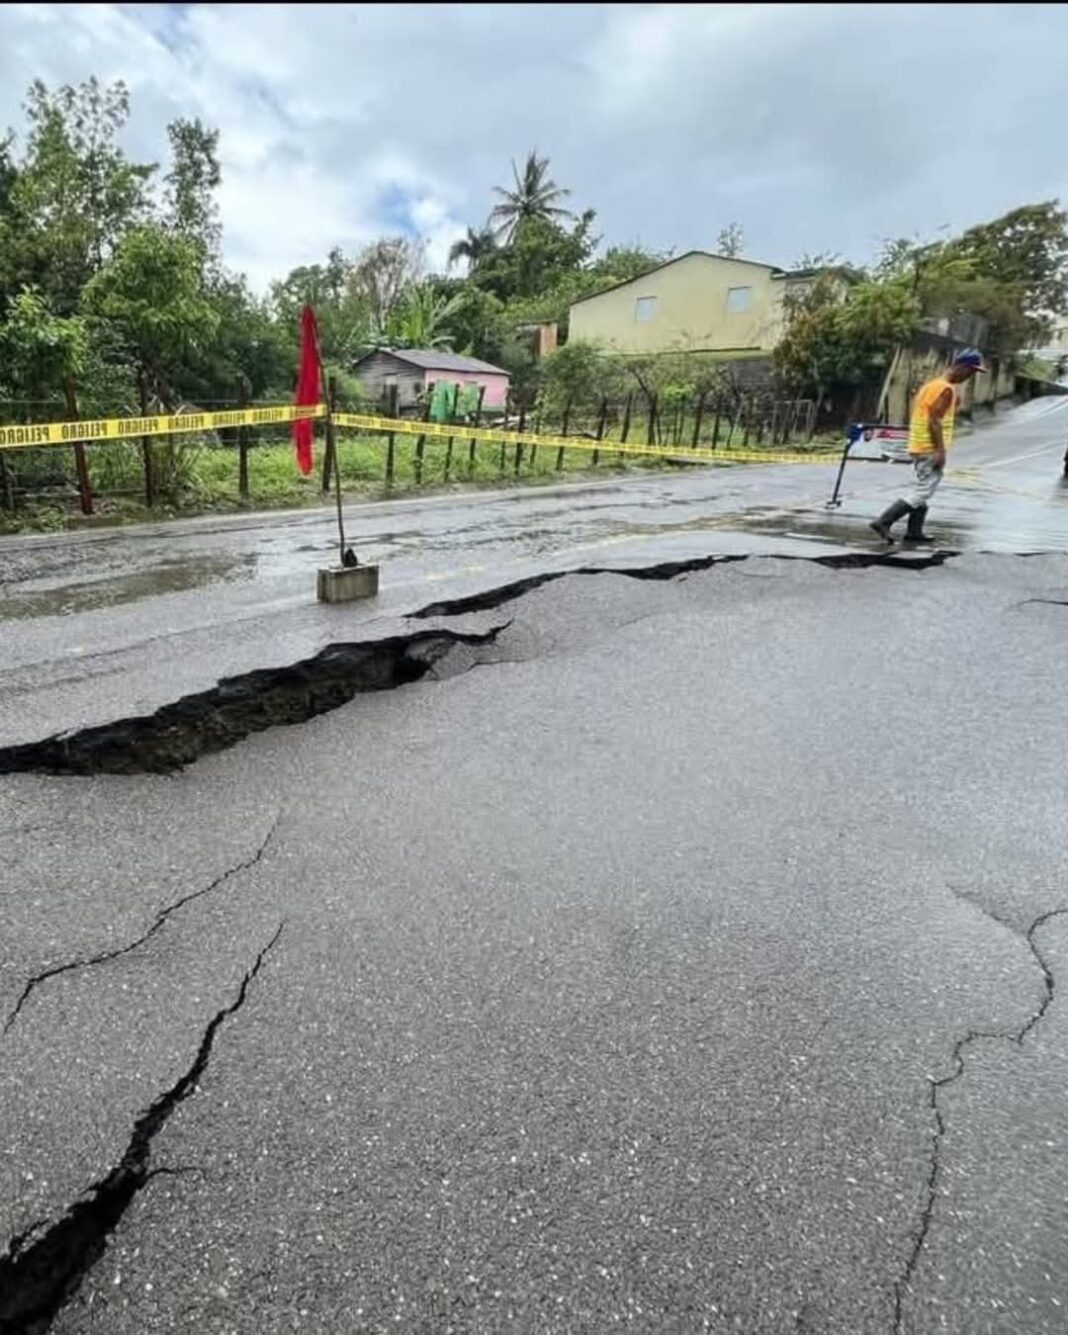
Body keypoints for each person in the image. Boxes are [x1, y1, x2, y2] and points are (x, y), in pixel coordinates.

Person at [869, 349, 985, 545]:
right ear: (961, 366)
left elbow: (930, 414)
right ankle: (884, 521)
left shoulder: (934, 386)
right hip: (929, 447)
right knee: (924, 490)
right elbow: (934, 421)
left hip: (920, 444)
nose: (970, 377)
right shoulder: (945, 389)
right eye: (971, 371)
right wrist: (940, 450)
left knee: (924, 487)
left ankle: (914, 532)